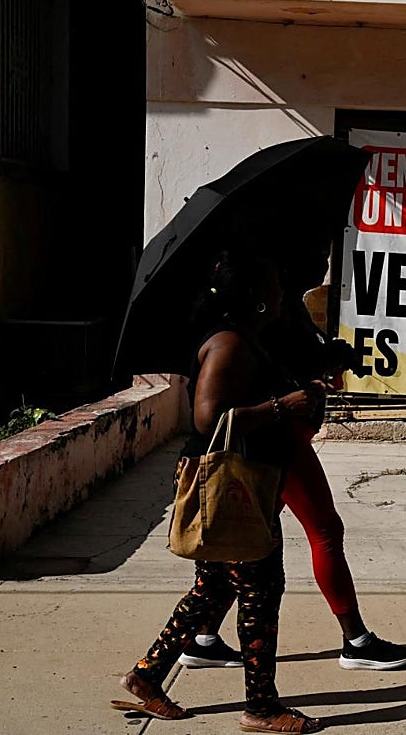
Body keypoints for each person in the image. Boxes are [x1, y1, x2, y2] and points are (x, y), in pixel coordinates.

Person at [178, 239, 406, 673]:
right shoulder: (245, 329)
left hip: (276, 442)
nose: (323, 262)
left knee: (238, 550)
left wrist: (329, 358)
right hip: (272, 445)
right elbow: (213, 415)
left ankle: (198, 641)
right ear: (262, 288)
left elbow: (287, 366)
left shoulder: (272, 315)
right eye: (315, 254)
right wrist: (288, 402)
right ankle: (354, 641)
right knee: (319, 532)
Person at [112, 249, 324, 731]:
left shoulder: (250, 338)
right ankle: (262, 707)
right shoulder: (229, 343)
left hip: (247, 480)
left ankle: (146, 676)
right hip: (234, 485)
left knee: (213, 588)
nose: (280, 288)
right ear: (254, 294)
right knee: (260, 588)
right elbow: (209, 418)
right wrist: (282, 406)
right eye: (272, 280)